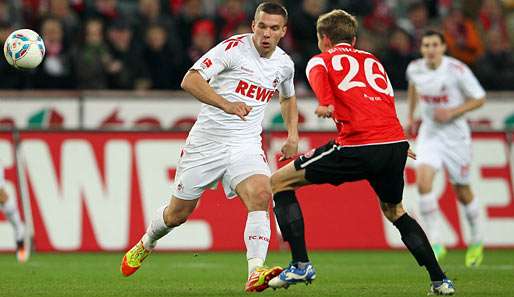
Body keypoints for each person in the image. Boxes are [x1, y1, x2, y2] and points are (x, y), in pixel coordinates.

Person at [268, 10, 455, 295]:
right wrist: (397, 141)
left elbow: (318, 75)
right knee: (395, 210)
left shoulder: (321, 59)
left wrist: (326, 103)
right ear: (353, 39)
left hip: (358, 144)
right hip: (393, 144)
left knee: (279, 182)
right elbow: (385, 99)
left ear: (324, 39)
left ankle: (300, 263)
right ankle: (440, 280)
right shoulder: (373, 61)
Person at [120, 2, 299, 293]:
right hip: (207, 143)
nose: (267, 33)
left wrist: (293, 134)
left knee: (262, 194)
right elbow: (190, 80)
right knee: (177, 215)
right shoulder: (232, 49)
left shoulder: (284, 64)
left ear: (283, 31)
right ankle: (147, 242)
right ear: (253, 26)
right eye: (262, 26)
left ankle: (255, 271)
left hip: (245, 144)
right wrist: (226, 104)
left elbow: (287, 98)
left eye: (274, 28)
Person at [406, 30, 486, 266]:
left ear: (443, 47)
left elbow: (479, 98)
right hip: (430, 133)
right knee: (423, 181)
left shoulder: (456, 70)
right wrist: (411, 116)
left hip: (456, 136)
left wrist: (451, 111)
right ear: (422, 49)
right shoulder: (415, 68)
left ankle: (477, 240)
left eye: (434, 45)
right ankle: (436, 241)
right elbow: (413, 88)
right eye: (426, 45)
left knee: (462, 190)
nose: (430, 49)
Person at [0, 161, 28, 263]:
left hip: (4, 201)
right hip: (4, 200)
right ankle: (21, 254)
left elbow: (1, 192)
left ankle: (21, 253)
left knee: (19, 226)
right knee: (18, 226)